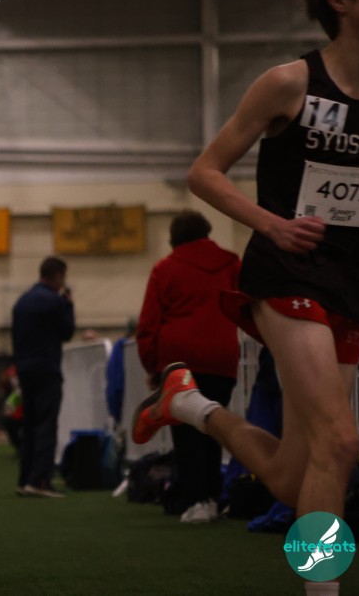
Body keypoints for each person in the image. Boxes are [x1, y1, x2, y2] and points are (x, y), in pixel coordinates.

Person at [133, 0, 359, 594]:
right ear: (339, 0)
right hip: (287, 272)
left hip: (353, 280)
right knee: (341, 441)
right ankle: (321, 587)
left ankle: (191, 406)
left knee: (298, 473)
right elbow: (204, 172)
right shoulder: (290, 82)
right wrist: (272, 224)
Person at [136, 210, 241, 523]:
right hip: (222, 357)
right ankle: (214, 496)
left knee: (186, 434)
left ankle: (197, 501)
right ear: (206, 231)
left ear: (174, 237)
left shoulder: (164, 269)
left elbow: (148, 324)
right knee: (214, 427)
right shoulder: (232, 263)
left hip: (179, 361)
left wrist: (153, 367)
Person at [11, 256, 75, 498]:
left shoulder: (22, 301)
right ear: (57, 275)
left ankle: (25, 479)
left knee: (29, 425)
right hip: (47, 368)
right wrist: (69, 305)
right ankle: (40, 480)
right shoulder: (54, 301)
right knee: (46, 425)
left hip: (25, 369)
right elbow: (67, 332)